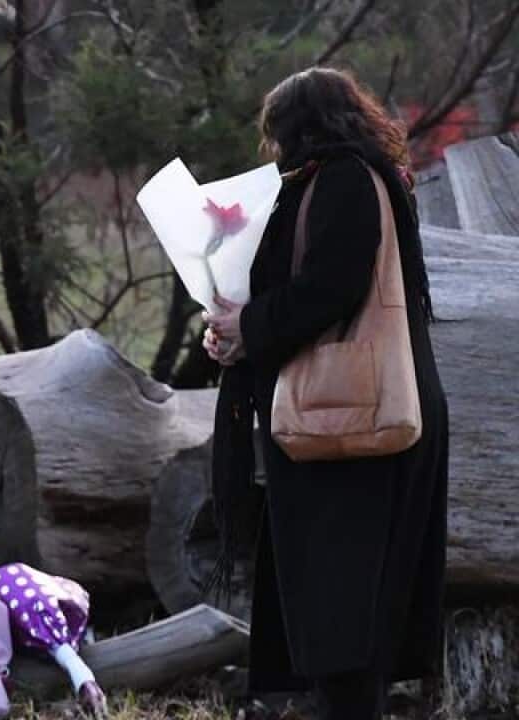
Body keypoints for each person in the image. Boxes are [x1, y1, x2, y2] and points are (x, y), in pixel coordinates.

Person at [202, 67, 449, 720]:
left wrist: (251, 326)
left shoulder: (341, 181)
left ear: (298, 129)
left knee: (344, 612)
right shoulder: (362, 177)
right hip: (359, 420)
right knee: (349, 613)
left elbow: (330, 287)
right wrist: (235, 335)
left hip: (351, 431)